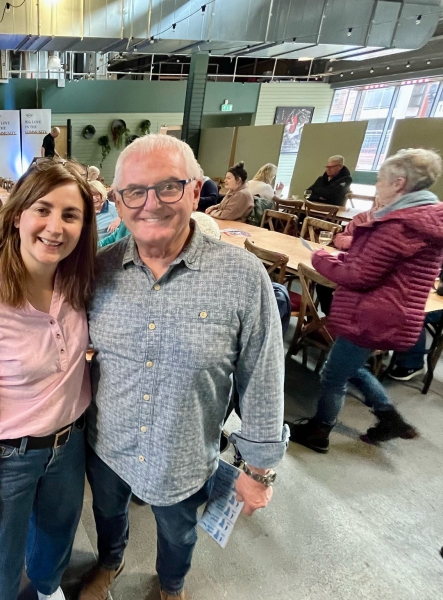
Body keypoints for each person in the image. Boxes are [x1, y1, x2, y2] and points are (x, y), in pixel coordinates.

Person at [81, 135, 286, 600]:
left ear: (195, 192)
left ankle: (171, 586)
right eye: (134, 191)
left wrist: (260, 471)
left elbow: (264, 376)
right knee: (108, 517)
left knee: (179, 535)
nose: (150, 203)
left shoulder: (241, 276)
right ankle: (110, 562)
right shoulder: (98, 271)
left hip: (184, 455)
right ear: (117, 200)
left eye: (168, 187)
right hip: (109, 445)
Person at [0, 158, 96, 600]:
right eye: (43, 210)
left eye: (70, 215)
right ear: (16, 217)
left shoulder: (76, 283)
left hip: (68, 444)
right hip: (8, 457)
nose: (55, 226)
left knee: (55, 541)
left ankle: (47, 590)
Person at [290, 148, 443, 452]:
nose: (376, 186)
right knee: (350, 366)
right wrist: (349, 255)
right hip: (389, 310)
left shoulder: (400, 224)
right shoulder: (420, 219)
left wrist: (320, 257)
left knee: (332, 375)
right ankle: (389, 417)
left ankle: (320, 430)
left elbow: (360, 276)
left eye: (380, 180)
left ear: (399, 183)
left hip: (373, 312)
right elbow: (382, 264)